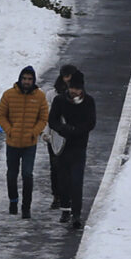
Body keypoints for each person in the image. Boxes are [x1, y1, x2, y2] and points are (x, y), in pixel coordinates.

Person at [0, 66, 49, 216]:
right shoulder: (9, 95)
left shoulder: (39, 97)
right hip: (12, 143)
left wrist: (34, 132)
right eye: (24, 79)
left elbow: (43, 118)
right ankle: (13, 201)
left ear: (33, 81)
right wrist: (10, 130)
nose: (26, 82)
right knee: (12, 174)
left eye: (29, 79)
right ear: (20, 79)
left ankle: (26, 207)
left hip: (29, 144)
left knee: (27, 174)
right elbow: (1, 115)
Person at [50, 71, 98, 228]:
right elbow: (52, 120)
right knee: (64, 180)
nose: (74, 91)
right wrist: (63, 129)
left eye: (77, 89)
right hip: (62, 146)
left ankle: (76, 214)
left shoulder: (88, 102)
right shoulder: (59, 100)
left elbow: (91, 122)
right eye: (72, 88)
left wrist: (76, 131)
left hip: (79, 146)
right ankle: (65, 208)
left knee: (77, 181)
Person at [46, 63, 81, 210]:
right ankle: (57, 196)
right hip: (55, 135)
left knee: (70, 167)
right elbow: (48, 115)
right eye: (65, 76)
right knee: (55, 167)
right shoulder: (51, 95)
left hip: (72, 135)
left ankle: (69, 196)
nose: (67, 80)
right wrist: (46, 133)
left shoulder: (78, 93)